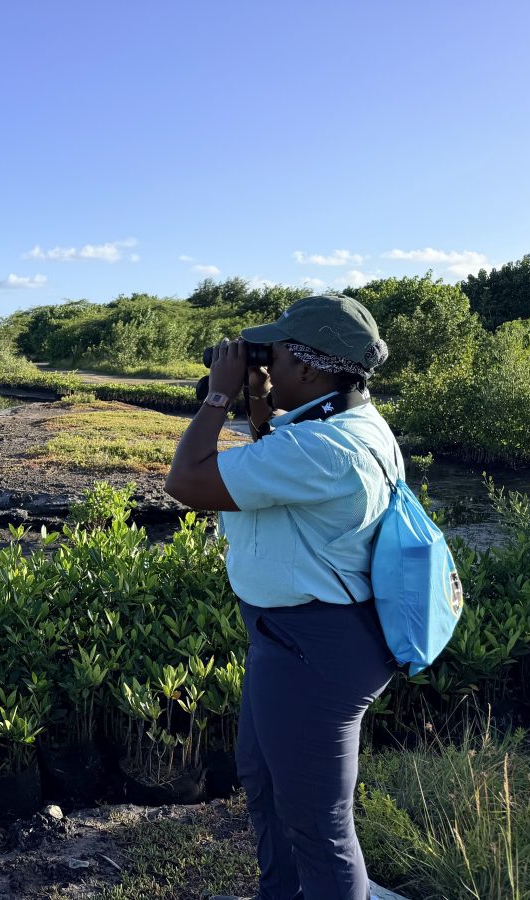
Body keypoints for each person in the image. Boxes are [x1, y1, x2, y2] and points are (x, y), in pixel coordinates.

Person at [164, 294, 398, 900]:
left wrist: (219, 394)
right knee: (265, 783)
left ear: (311, 369)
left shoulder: (327, 447)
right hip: (298, 641)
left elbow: (187, 482)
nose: (258, 363)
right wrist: (263, 401)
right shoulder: (345, 425)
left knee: (318, 825)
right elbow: (276, 463)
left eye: (276, 354)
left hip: (314, 647)